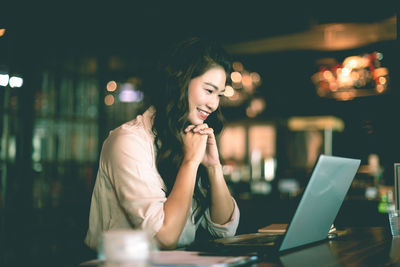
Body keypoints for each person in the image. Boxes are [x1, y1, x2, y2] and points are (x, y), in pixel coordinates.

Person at [84, 37, 240, 250]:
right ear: (181, 82)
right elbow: (164, 238)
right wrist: (190, 162)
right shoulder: (127, 142)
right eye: (209, 90)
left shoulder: (188, 138)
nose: (214, 104)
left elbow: (224, 230)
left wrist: (213, 167)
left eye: (219, 95)